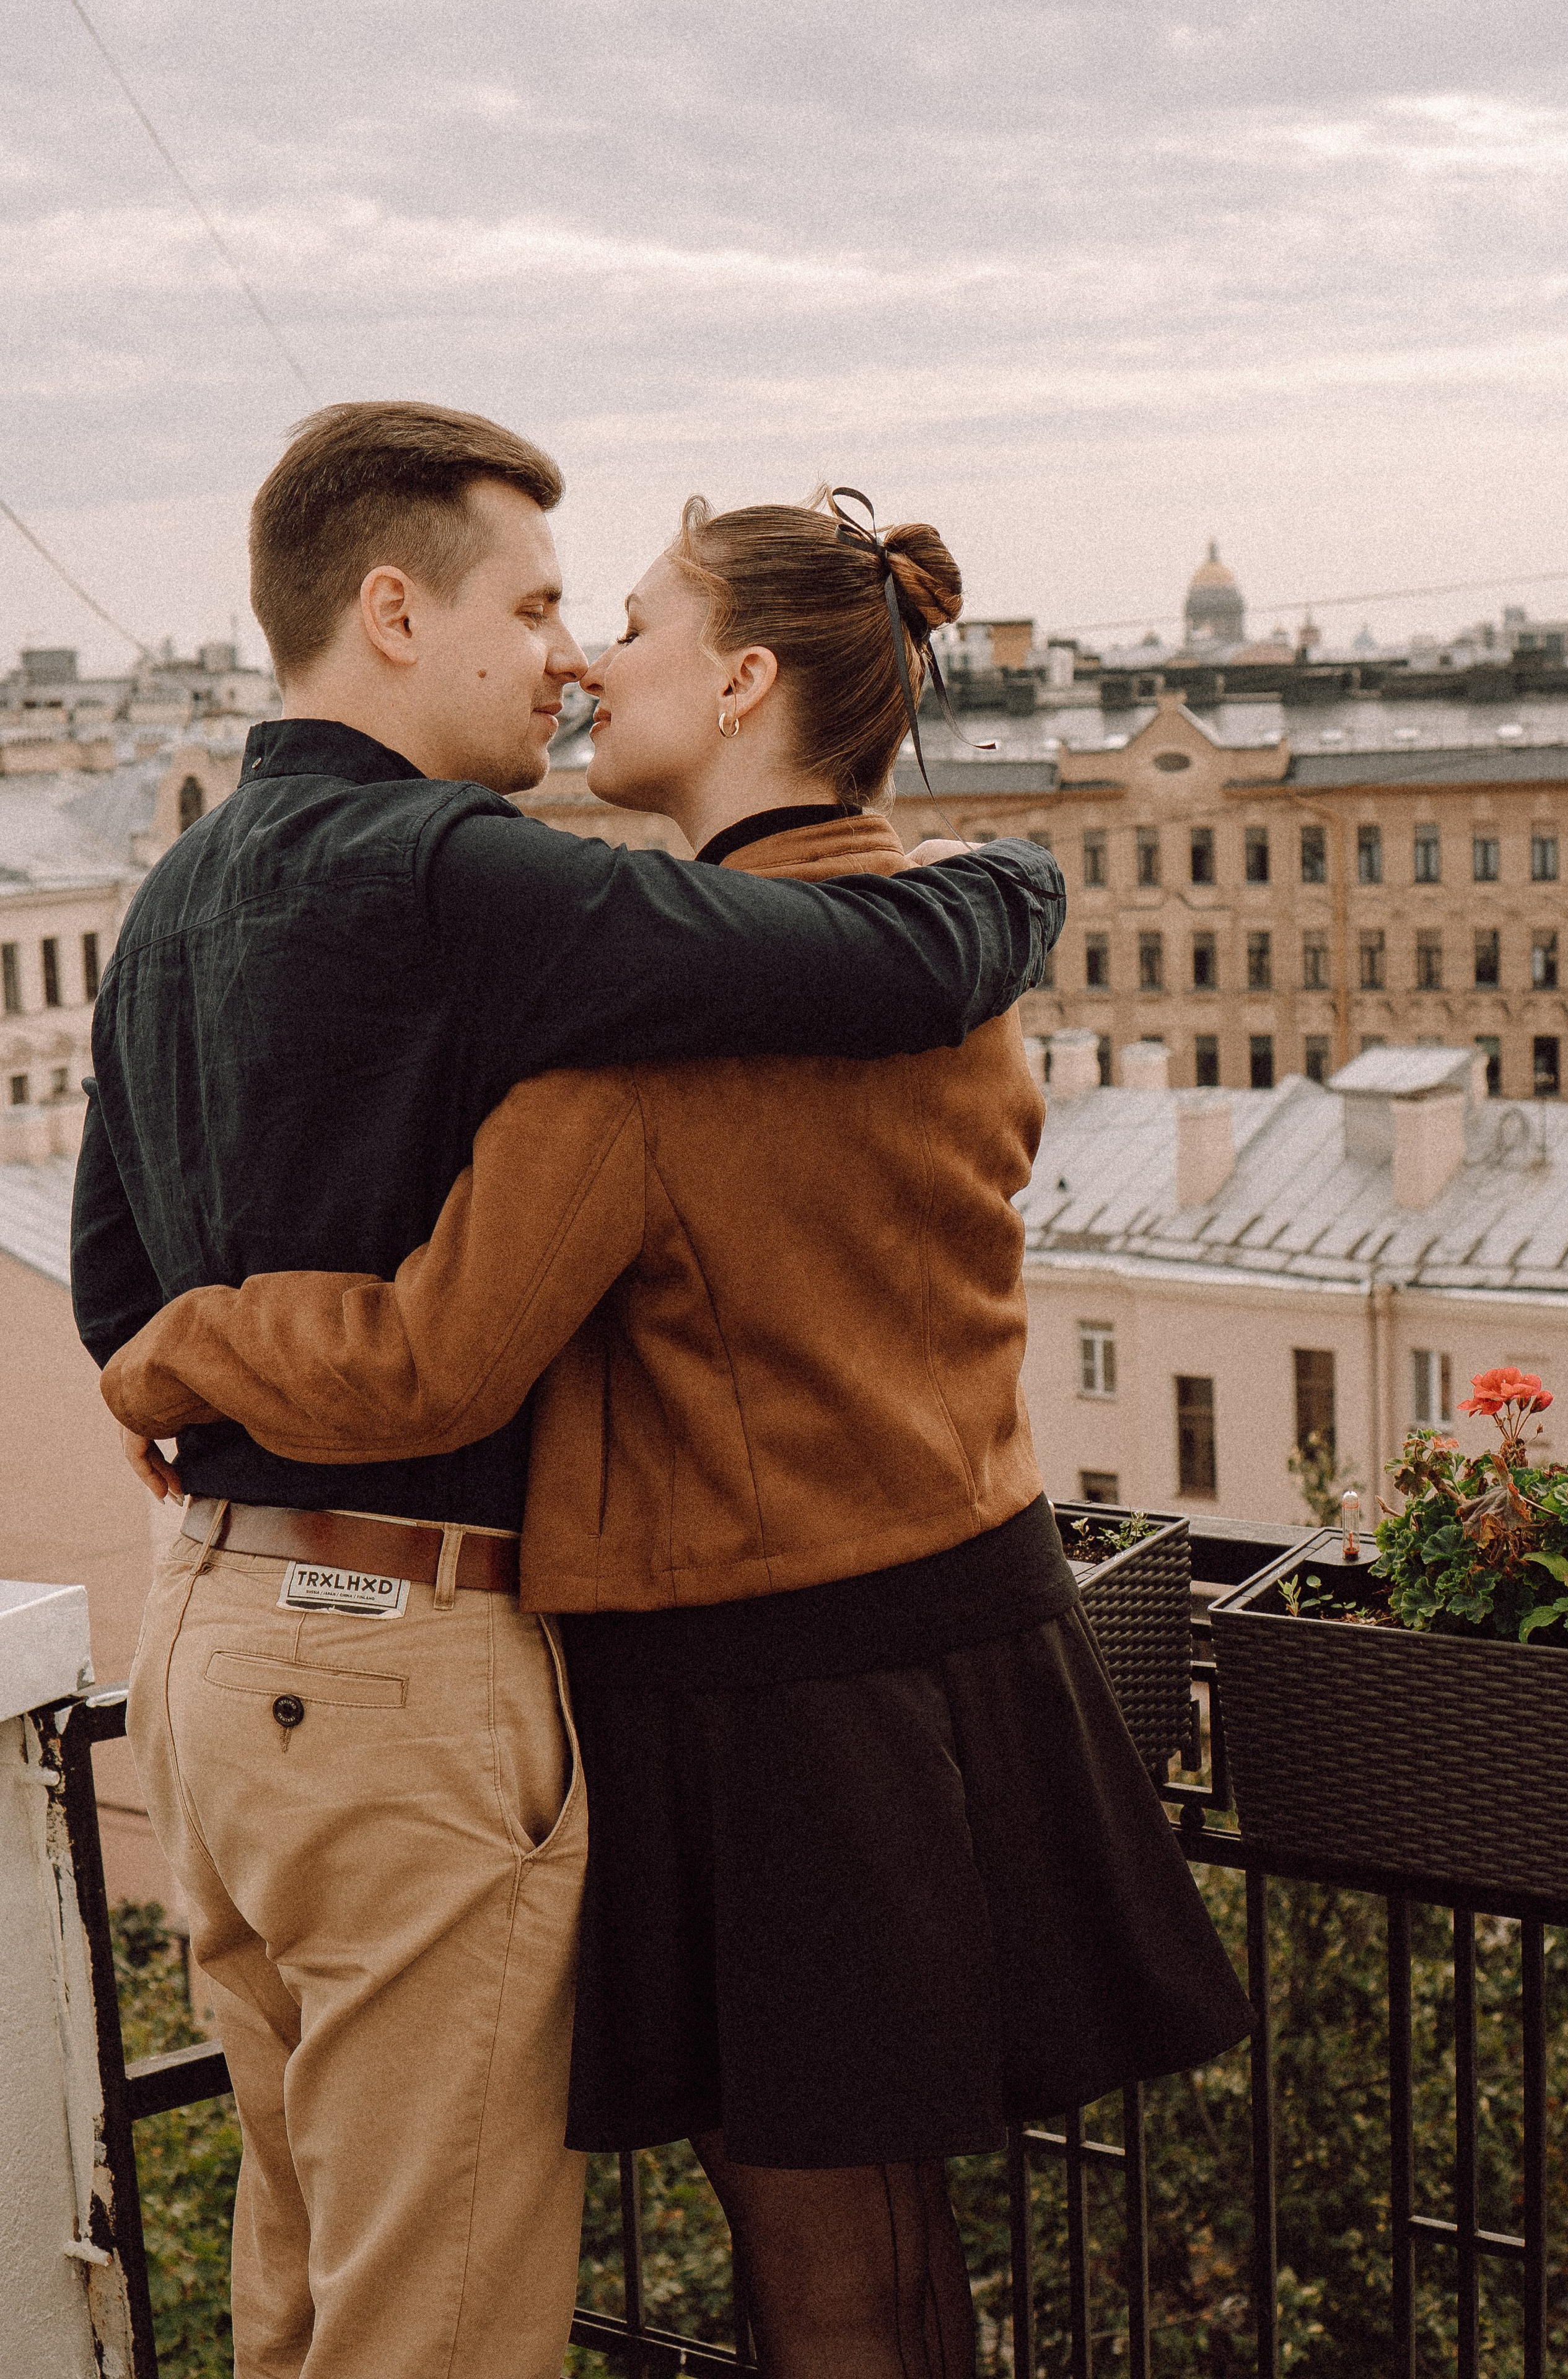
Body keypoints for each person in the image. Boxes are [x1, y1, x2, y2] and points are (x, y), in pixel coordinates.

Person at [103, 488, 1250, 2379]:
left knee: (811, 2245)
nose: (582, 660)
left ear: (734, 683)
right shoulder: (936, 956)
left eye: (624, 621)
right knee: (891, 2226)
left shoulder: (651, 1029)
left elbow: (428, 1365)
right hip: (973, 1633)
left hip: (760, 1682)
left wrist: (180, 1349)